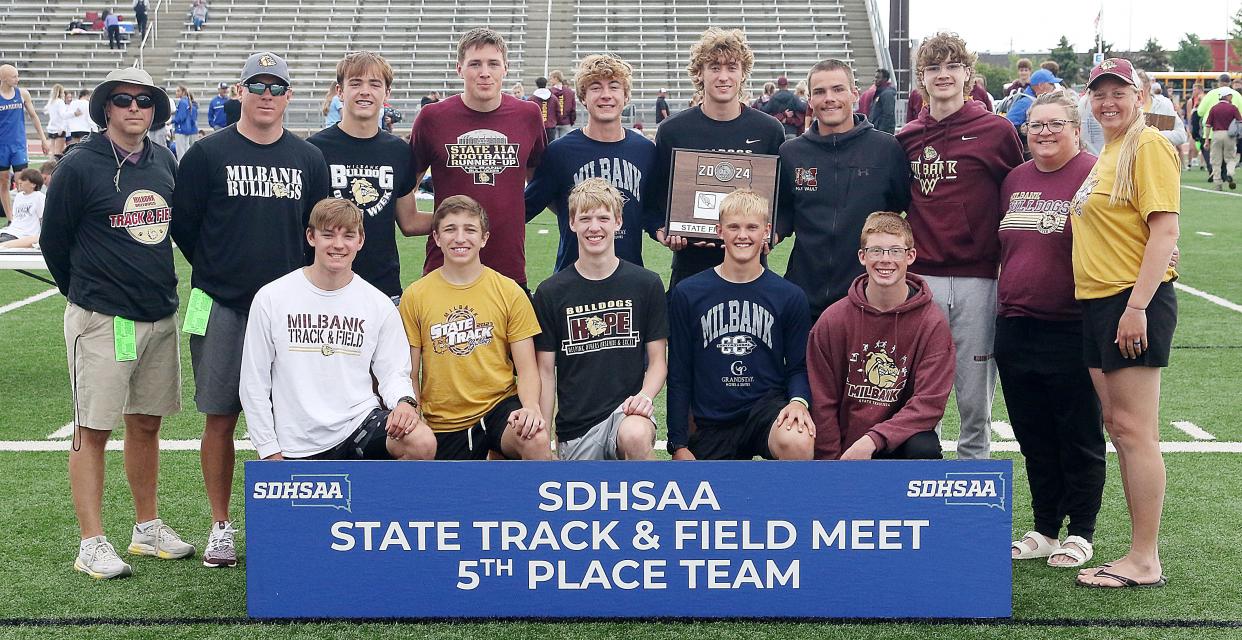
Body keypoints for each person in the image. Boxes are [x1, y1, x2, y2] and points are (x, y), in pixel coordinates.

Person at [170, 51, 330, 569]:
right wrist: (222, 272)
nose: (265, 95)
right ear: (239, 91)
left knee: (292, 417)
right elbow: (186, 228)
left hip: (289, 313)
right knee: (220, 416)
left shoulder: (308, 159)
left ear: (288, 96)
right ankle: (221, 524)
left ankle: (293, 524)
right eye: (256, 86)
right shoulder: (206, 155)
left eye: (275, 87)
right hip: (221, 305)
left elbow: (316, 233)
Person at [39, 66, 193, 580]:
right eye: (123, 99)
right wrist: (86, 294)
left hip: (157, 313)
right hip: (103, 317)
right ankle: (91, 541)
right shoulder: (79, 165)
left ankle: (146, 528)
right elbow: (53, 243)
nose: (134, 108)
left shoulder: (164, 161)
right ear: (106, 107)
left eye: (144, 100)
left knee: (146, 422)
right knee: (92, 430)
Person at [1071, 58, 1180, 590]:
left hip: (1129, 302)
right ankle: (1138, 553)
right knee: (1119, 428)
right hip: (1099, 302)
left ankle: (1144, 558)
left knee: (1136, 432)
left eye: (1119, 91)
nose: (1108, 101)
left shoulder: (1148, 145)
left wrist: (1136, 306)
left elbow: (1164, 232)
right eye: (1100, 93)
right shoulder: (1110, 151)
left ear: (1140, 95)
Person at [895, 32, 1024, 460]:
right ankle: (916, 481)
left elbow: (1022, 191)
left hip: (979, 278)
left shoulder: (996, 130)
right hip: (923, 279)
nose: (943, 75)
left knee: (974, 399)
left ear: (968, 74)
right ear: (921, 79)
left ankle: (973, 487)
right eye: (934, 68)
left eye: (953, 66)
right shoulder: (907, 137)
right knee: (918, 392)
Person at [997, 92, 1105, 569]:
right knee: (1033, 435)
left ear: (1075, 128)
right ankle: (1044, 526)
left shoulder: (1095, 173)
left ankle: (1081, 529)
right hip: (1016, 324)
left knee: (1078, 432)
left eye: (1054, 124)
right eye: (1034, 125)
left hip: (1073, 325)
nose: (1043, 132)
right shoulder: (1015, 179)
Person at [241, 198, 435, 461]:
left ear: (360, 240)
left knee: (421, 442)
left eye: (348, 235)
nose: (338, 245)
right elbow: (254, 381)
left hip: (358, 425)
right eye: (328, 235)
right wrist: (269, 449)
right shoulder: (272, 298)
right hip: (297, 441)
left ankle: (386, 503)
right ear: (311, 237)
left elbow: (393, 373)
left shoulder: (377, 304)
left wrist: (404, 401)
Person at [397, 196, 551, 461]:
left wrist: (531, 408)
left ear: (484, 238)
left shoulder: (509, 291)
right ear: (436, 237)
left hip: (498, 408)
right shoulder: (415, 296)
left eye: (470, 229)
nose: (460, 238)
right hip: (444, 420)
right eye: (450, 229)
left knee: (535, 439)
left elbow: (527, 369)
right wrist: (415, 413)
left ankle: (524, 502)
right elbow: (410, 373)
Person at [666, 189, 814, 461]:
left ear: (766, 231)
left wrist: (798, 401)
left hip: (765, 411)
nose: (742, 235)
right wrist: (678, 443)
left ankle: (785, 504)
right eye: (733, 227)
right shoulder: (688, 293)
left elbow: (798, 366)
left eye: (752, 227)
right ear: (719, 231)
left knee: (798, 439)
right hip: (712, 417)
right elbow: (679, 371)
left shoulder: (789, 296)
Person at [533, 179, 667, 459]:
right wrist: (544, 437)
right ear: (571, 223)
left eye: (603, 218)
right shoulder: (551, 292)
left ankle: (651, 503)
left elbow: (657, 362)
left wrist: (644, 397)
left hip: (625, 414)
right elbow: (545, 372)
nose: (594, 227)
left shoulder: (646, 284)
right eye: (585, 219)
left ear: (618, 221)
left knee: (636, 433)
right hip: (577, 428)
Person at [807, 212, 953, 460]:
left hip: (897, 441)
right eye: (876, 251)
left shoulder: (932, 322)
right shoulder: (833, 320)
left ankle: (911, 500)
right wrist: (832, 466)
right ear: (862, 257)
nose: (886, 260)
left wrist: (873, 440)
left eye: (895, 251)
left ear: (910, 256)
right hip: (846, 449)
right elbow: (823, 402)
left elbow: (929, 403)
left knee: (924, 447)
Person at [409, 28, 546, 290]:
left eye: (493, 63)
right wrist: (446, 223)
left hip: (508, 266)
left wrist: (510, 216)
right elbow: (408, 191)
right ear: (459, 68)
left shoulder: (527, 115)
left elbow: (539, 183)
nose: (484, 72)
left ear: (505, 68)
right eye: (475, 64)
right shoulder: (432, 117)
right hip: (445, 266)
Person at [648, 28, 785, 289]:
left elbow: (784, 201)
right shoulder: (673, 130)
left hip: (750, 268)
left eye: (732, 67)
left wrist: (773, 233)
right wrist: (662, 230)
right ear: (699, 72)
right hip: (691, 267)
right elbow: (654, 200)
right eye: (714, 67)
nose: (723, 76)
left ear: (743, 72)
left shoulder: (768, 130)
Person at [776, 59, 910, 319]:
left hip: (868, 299)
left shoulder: (886, 150)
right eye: (820, 92)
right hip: (804, 297)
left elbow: (901, 209)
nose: (829, 99)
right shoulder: (791, 153)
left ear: (854, 94)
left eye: (838, 89)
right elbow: (783, 214)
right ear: (810, 100)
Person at [524, 53, 657, 273]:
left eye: (614, 87)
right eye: (596, 88)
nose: (606, 95)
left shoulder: (644, 150)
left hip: (630, 278)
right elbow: (528, 206)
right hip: (573, 279)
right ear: (583, 97)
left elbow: (652, 210)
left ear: (626, 96)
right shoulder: (560, 152)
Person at [308, 51, 423, 301]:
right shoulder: (314, 150)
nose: (365, 91)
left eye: (374, 84)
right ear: (340, 91)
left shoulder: (400, 151)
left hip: (383, 289)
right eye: (356, 83)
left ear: (387, 94)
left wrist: (465, 220)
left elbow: (409, 221)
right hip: (325, 287)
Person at [0, 65, 50, 220]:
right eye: (14, 76)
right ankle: (10, 218)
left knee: (24, 181)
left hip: (19, 145)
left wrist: (43, 139)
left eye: (17, 75)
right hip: (2, 146)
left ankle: (27, 216)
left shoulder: (22, 94)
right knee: (3, 182)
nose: (17, 79)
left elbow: (34, 116)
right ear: (3, 78)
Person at [1135, 70, 1187, 149]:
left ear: (1148, 86)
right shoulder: (1128, 108)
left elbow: (1181, 136)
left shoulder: (1164, 104)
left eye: (1138, 87)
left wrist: (1153, 135)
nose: (1137, 92)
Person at [1204, 88, 1241, 189]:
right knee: (1231, 158)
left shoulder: (1214, 108)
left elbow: (1208, 125)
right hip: (1230, 135)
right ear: (1227, 96)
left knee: (1216, 160)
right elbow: (1239, 122)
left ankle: (1218, 183)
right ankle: (1230, 172)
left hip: (1216, 134)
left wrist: (1207, 139)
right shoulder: (1233, 108)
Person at [0, 168, 44, 247]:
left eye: (23, 179)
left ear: (33, 184)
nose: (19, 181)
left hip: (24, 235)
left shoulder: (39, 197)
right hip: (11, 231)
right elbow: (16, 217)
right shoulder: (18, 196)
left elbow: (43, 218)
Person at [171, 85, 198, 162]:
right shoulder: (187, 102)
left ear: (183, 92)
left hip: (181, 129)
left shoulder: (182, 102)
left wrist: (171, 121)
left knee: (181, 152)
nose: (176, 92)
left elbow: (181, 117)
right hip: (186, 129)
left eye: (178, 91)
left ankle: (181, 170)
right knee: (186, 150)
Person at [530, 76, 560, 143]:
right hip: (550, 126)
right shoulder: (553, 98)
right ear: (546, 84)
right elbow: (558, 112)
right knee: (551, 147)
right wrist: (555, 121)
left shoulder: (532, 99)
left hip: (537, 127)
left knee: (539, 148)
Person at [550, 69, 576, 139]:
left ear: (556, 78)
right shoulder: (570, 92)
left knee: (553, 146)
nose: (550, 81)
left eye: (551, 78)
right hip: (566, 122)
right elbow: (573, 109)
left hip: (553, 123)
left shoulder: (549, 92)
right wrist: (571, 121)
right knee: (565, 147)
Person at [869, 69, 897, 134]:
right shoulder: (879, 93)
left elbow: (888, 115)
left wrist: (881, 132)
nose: (875, 79)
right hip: (876, 130)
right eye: (875, 77)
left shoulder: (887, 94)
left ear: (885, 79)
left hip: (882, 133)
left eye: (878, 77)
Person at [44, 84, 68, 157]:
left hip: (51, 128)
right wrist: (73, 114)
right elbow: (63, 115)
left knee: (53, 152)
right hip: (59, 128)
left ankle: (50, 166)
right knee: (58, 152)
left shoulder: (51, 101)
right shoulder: (60, 102)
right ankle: (56, 167)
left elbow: (45, 111)